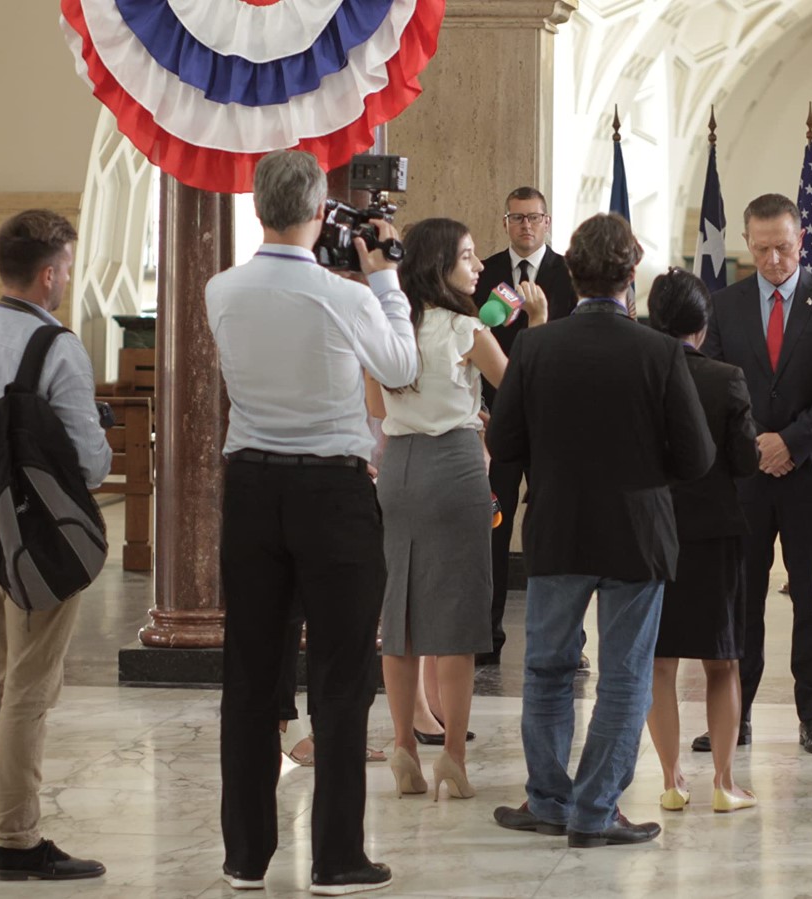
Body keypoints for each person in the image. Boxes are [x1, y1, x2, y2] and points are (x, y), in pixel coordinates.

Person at [206, 151, 416, 895]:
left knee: (251, 673)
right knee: (340, 671)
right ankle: (335, 857)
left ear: (259, 206)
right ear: (322, 211)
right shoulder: (346, 296)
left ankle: (245, 855)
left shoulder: (219, 289)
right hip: (332, 491)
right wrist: (385, 278)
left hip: (254, 489)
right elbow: (400, 365)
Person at [487, 213, 714, 849]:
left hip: (558, 525)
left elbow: (504, 442)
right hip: (635, 534)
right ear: (630, 275)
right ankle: (593, 812)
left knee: (547, 671)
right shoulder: (661, 350)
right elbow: (696, 458)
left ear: (571, 271)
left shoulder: (534, 347)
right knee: (623, 676)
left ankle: (551, 801)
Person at [0, 209, 111, 879]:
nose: (66, 276)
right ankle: (18, 837)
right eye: (65, 266)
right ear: (48, 273)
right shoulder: (58, 347)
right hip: (43, 537)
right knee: (32, 686)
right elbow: (91, 465)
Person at [365, 218, 547, 801]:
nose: (477, 269)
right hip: (456, 466)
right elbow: (518, 397)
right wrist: (535, 325)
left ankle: (401, 745)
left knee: (402, 616)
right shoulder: (467, 327)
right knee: (458, 619)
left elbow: (374, 401)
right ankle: (453, 758)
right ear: (441, 266)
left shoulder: (388, 326)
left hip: (398, 468)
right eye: (467, 258)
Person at [700, 193, 812, 755]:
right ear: (747, 243)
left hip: (810, 475)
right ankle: (734, 715)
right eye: (763, 248)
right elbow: (716, 383)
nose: (774, 260)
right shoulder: (724, 304)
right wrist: (756, 445)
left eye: (785, 248)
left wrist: (789, 443)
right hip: (746, 476)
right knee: (739, 597)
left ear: (802, 240)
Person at [641, 269, 760, 814]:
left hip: (651, 533)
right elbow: (743, 461)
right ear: (703, 323)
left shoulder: (637, 375)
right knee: (722, 662)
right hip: (714, 533)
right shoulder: (726, 377)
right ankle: (723, 781)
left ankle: (670, 779)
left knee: (658, 663)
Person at [473, 186, 579, 669]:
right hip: (494, 422)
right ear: (505, 223)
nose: (526, 227)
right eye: (516, 218)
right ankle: (485, 636)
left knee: (554, 531)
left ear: (548, 222)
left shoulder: (568, 275)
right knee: (491, 529)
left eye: (534, 218)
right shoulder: (483, 273)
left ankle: (565, 642)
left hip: (552, 424)